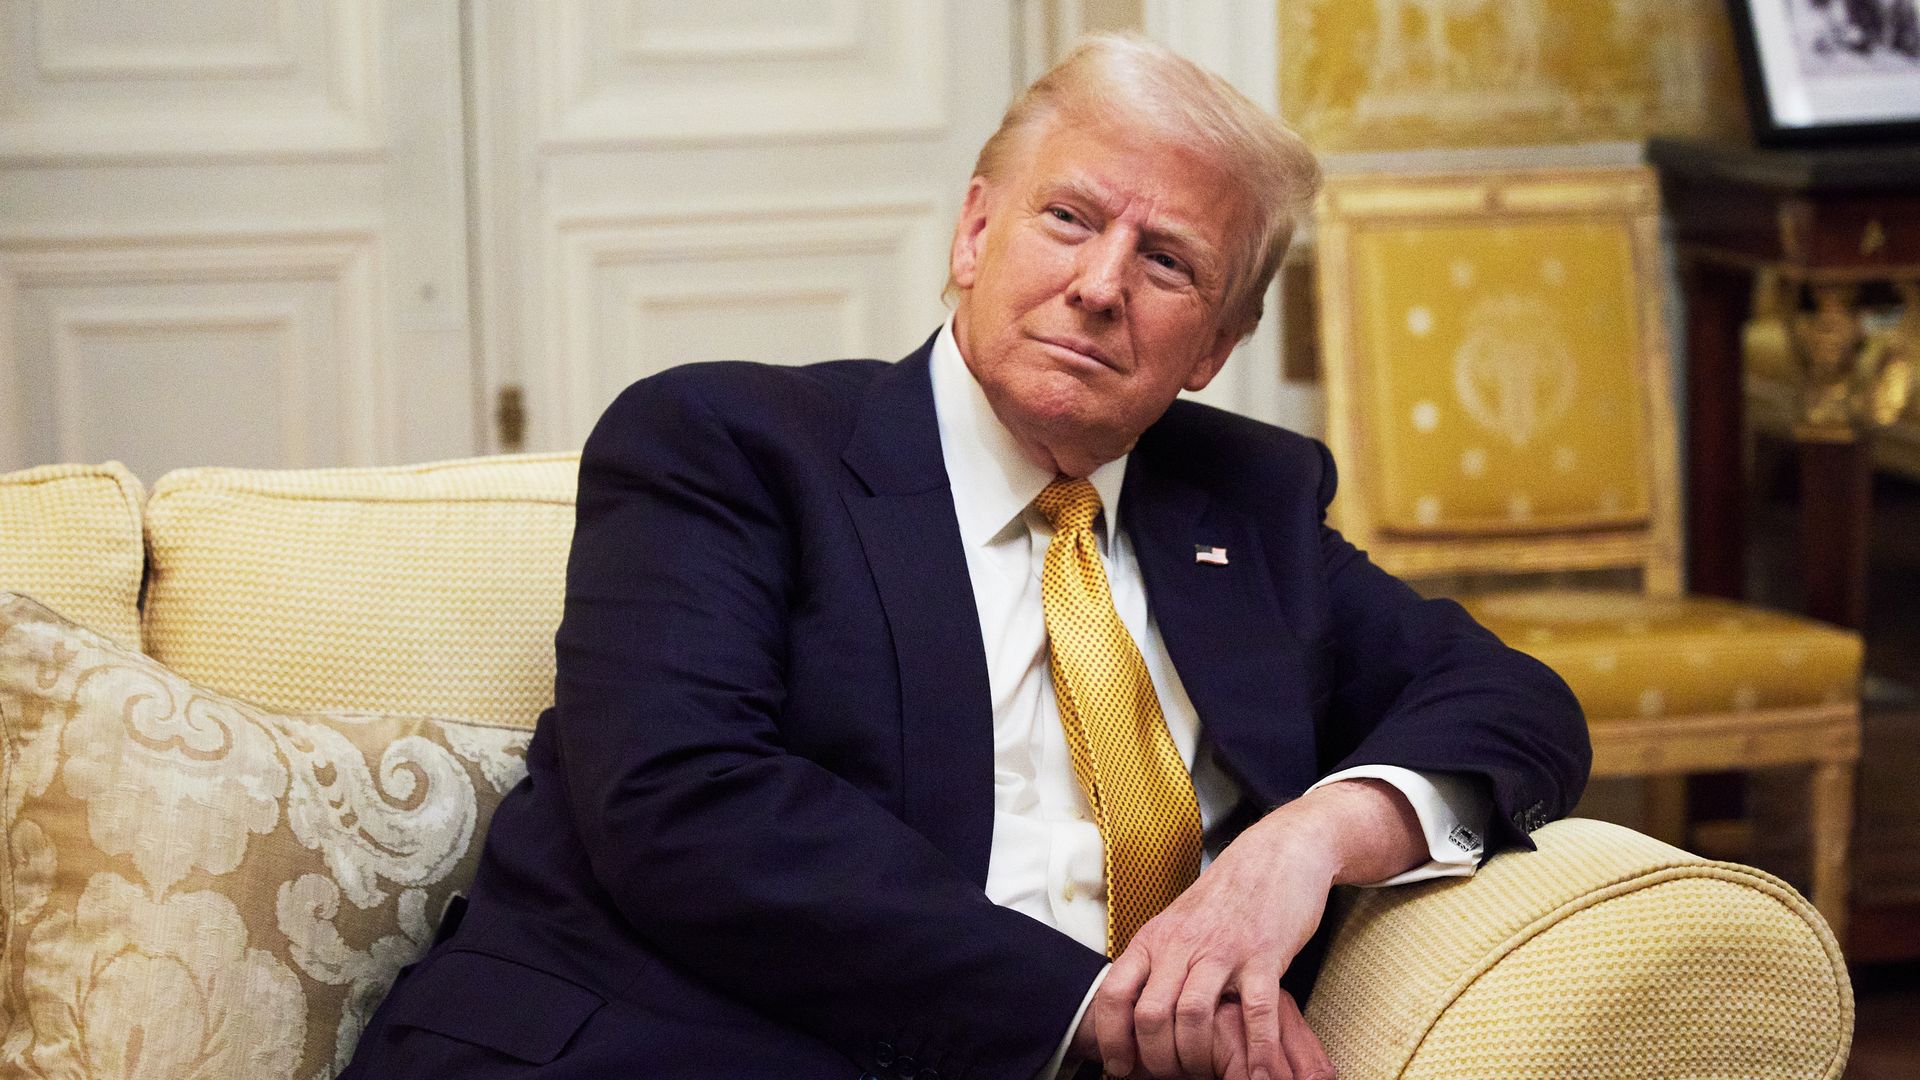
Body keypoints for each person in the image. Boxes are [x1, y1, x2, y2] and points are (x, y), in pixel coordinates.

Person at [343, 34, 1587, 1080]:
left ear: (1215, 344)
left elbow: (1515, 705)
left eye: (1168, 262)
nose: (1102, 286)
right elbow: (684, 804)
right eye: (1069, 219)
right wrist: (1105, 1012)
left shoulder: (1244, 505)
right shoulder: (728, 445)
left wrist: (1308, 842)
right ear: (975, 234)